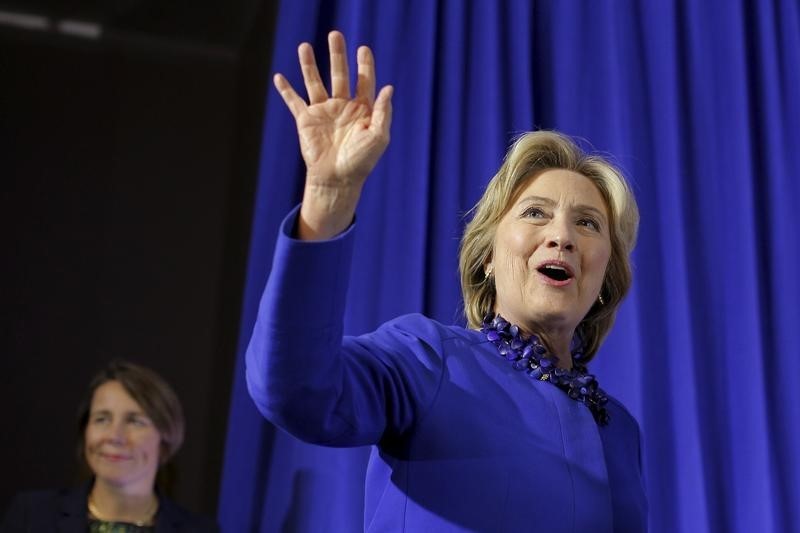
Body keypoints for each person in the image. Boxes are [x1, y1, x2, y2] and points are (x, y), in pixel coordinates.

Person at [246, 30, 648, 532]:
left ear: (607, 275)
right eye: (535, 213)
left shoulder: (621, 430)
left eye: (587, 223)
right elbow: (296, 390)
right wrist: (329, 199)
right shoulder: (428, 359)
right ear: (488, 260)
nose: (561, 235)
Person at [1, 360, 219, 532]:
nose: (115, 436)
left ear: (166, 438)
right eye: (102, 419)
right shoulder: (31, 516)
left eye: (135, 421)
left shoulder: (201, 530)